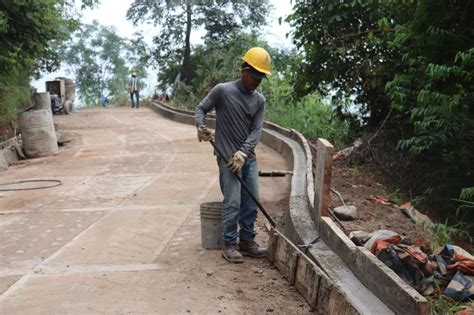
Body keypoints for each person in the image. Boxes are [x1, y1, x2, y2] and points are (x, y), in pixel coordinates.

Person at [194, 47, 271, 263]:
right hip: (227, 157)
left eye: (261, 78)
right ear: (243, 70)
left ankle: (247, 241)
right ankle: (229, 243)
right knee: (233, 201)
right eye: (254, 76)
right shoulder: (223, 91)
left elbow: (256, 131)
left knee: (251, 201)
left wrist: (244, 153)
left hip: (248, 159)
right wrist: (201, 127)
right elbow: (200, 109)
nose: (257, 81)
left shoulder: (259, 101)